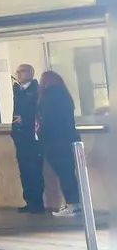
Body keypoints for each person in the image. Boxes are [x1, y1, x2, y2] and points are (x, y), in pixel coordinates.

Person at [38, 70, 83, 217]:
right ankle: (75, 203)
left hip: (55, 141)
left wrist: (41, 133)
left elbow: (48, 120)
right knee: (68, 173)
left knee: (64, 173)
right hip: (68, 138)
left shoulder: (48, 97)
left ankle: (72, 205)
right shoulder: (64, 95)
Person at [12, 64, 46, 214]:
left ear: (31, 73)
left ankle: (37, 203)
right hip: (20, 137)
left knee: (34, 170)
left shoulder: (36, 90)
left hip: (33, 137)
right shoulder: (18, 90)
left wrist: (25, 119)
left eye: (22, 71)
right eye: (17, 72)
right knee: (24, 171)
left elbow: (39, 112)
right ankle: (29, 200)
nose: (18, 74)